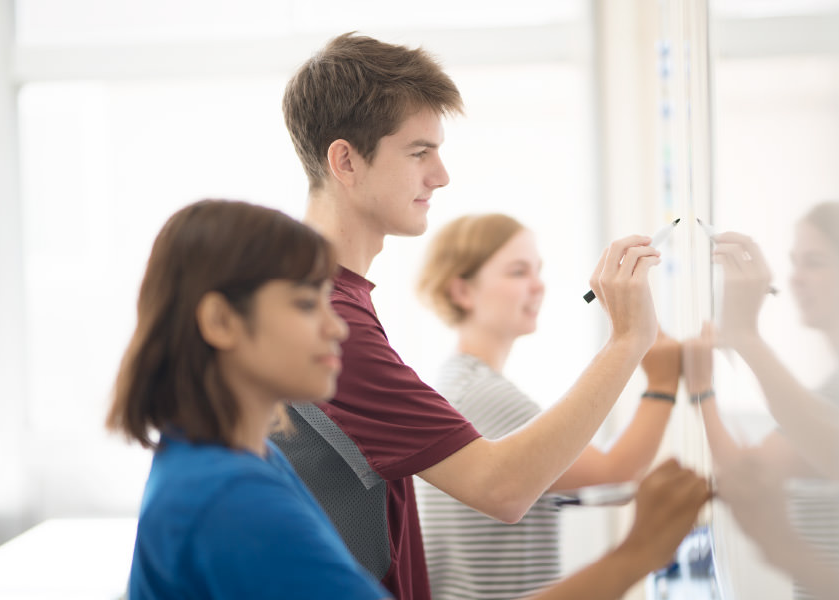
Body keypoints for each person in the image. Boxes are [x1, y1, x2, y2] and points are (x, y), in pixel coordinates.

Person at [270, 31, 685, 600]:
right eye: (419, 153)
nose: (440, 176)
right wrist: (628, 340)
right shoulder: (327, 316)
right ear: (345, 160)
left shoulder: (331, 299)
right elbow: (504, 487)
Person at [105, 199, 388, 599]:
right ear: (221, 321)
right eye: (307, 304)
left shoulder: (232, 456)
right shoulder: (231, 499)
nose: (337, 328)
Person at [414, 213, 680, 600]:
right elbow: (615, 471)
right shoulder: (480, 393)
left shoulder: (463, 382)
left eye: (537, 270)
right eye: (518, 271)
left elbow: (591, 483)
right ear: (462, 292)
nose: (538, 285)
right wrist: (662, 383)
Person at [683, 200, 839, 599]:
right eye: (794, 262)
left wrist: (714, 374)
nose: (794, 278)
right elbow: (756, 468)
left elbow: (753, 472)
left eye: (814, 262)